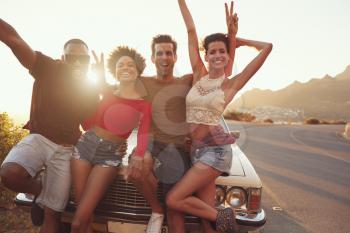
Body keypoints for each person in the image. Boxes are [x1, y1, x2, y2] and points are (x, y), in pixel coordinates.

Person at [165, 1, 273, 233]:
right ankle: (217, 219)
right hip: (196, 151)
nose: (217, 55)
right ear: (206, 56)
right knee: (206, 223)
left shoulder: (231, 85)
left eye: (222, 51)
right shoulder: (198, 75)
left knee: (174, 199)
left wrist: (237, 40)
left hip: (215, 154)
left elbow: (267, 47)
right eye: (212, 51)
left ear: (227, 55)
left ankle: (224, 216)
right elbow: (191, 31)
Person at [131, 3, 237, 232]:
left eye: (169, 52)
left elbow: (220, 68)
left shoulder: (191, 80)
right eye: (160, 53)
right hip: (152, 143)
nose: (164, 57)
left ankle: (170, 213)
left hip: (180, 149)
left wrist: (232, 37)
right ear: (152, 57)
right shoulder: (143, 83)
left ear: (176, 56)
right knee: (138, 163)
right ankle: (154, 210)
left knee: (175, 206)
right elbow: (118, 95)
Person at [0, 18, 101, 233]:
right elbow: (14, 40)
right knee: (10, 174)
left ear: (88, 63)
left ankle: (47, 199)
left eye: (82, 60)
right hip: (39, 139)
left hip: (66, 150)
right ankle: (42, 192)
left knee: (53, 213)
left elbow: (91, 123)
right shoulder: (48, 68)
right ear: (63, 58)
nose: (77, 63)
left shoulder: (88, 88)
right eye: (72, 58)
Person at [70, 46, 152, 233]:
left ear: (138, 70)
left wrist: (139, 155)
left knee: (76, 222)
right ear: (115, 71)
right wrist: (99, 72)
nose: (125, 67)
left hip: (109, 155)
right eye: (120, 64)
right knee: (85, 218)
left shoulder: (143, 104)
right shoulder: (107, 91)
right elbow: (90, 90)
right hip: (84, 146)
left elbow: (143, 134)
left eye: (130, 64)